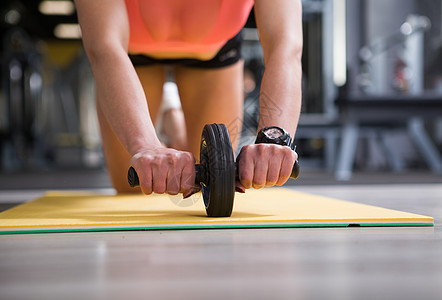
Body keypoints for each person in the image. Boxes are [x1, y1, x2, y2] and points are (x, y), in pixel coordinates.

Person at [74, 0, 303, 197]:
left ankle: (172, 118)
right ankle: (170, 116)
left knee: (209, 182)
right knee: (135, 185)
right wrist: (145, 145)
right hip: (128, 55)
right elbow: (104, 47)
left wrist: (274, 137)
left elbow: (285, 45)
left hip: (215, 52)